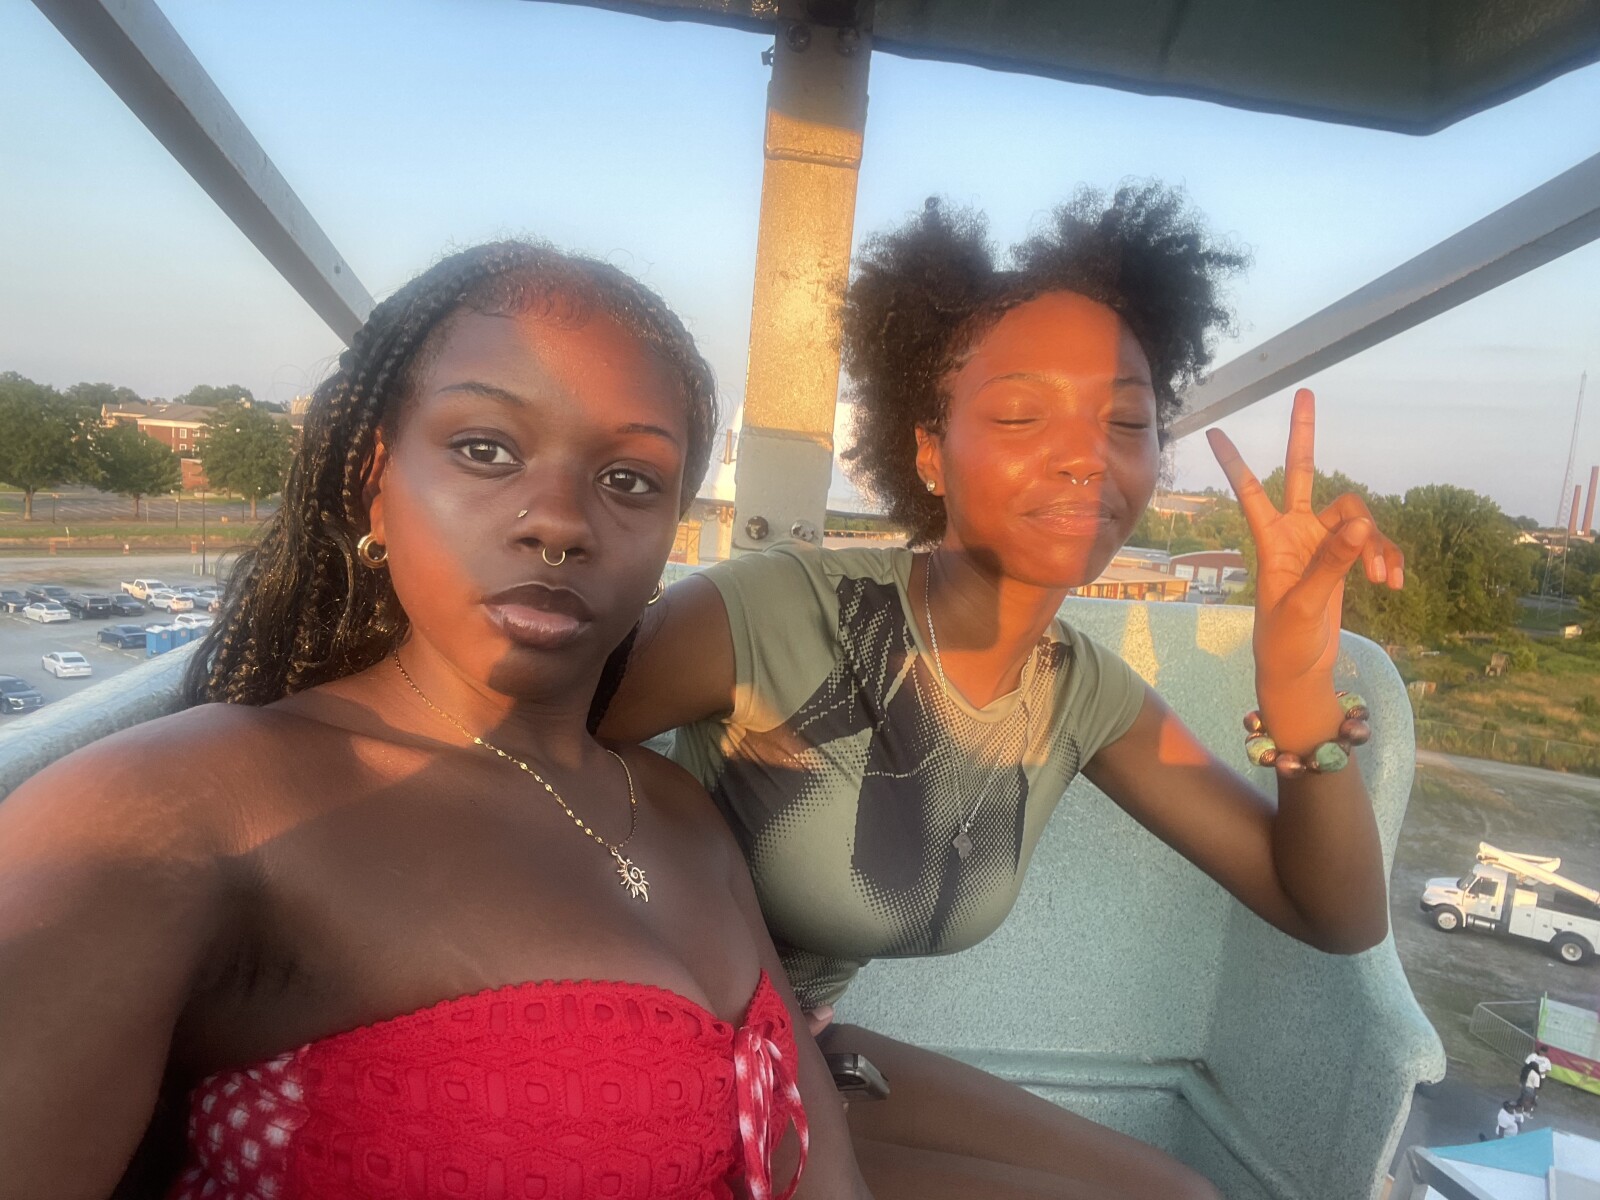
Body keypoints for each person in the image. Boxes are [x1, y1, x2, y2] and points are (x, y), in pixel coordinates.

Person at [0, 243, 869, 1200]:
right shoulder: (184, 807)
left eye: (629, 479)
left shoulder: (675, 807)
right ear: (376, 483)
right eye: (486, 449)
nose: (559, 521)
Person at [599, 185, 1405, 1199]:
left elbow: (1333, 914)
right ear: (928, 452)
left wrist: (1295, 685)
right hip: (643, 1050)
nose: (1086, 456)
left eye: (1126, 421)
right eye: (1023, 414)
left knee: (1181, 1197)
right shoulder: (776, 616)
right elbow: (509, 755)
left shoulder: (1082, 697)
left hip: (798, 1045)